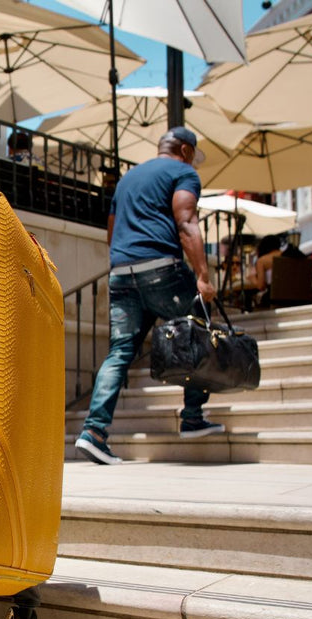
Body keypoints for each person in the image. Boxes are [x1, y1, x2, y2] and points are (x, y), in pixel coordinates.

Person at [74, 126, 224, 466]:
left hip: (122, 273)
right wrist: (202, 276)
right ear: (185, 150)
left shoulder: (127, 179)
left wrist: (125, 262)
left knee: (120, 351)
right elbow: (186, 222)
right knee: (197, 331)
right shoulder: (183, 172)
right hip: (162, 270)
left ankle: (94, 433)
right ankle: (192, 417)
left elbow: (111, 230)